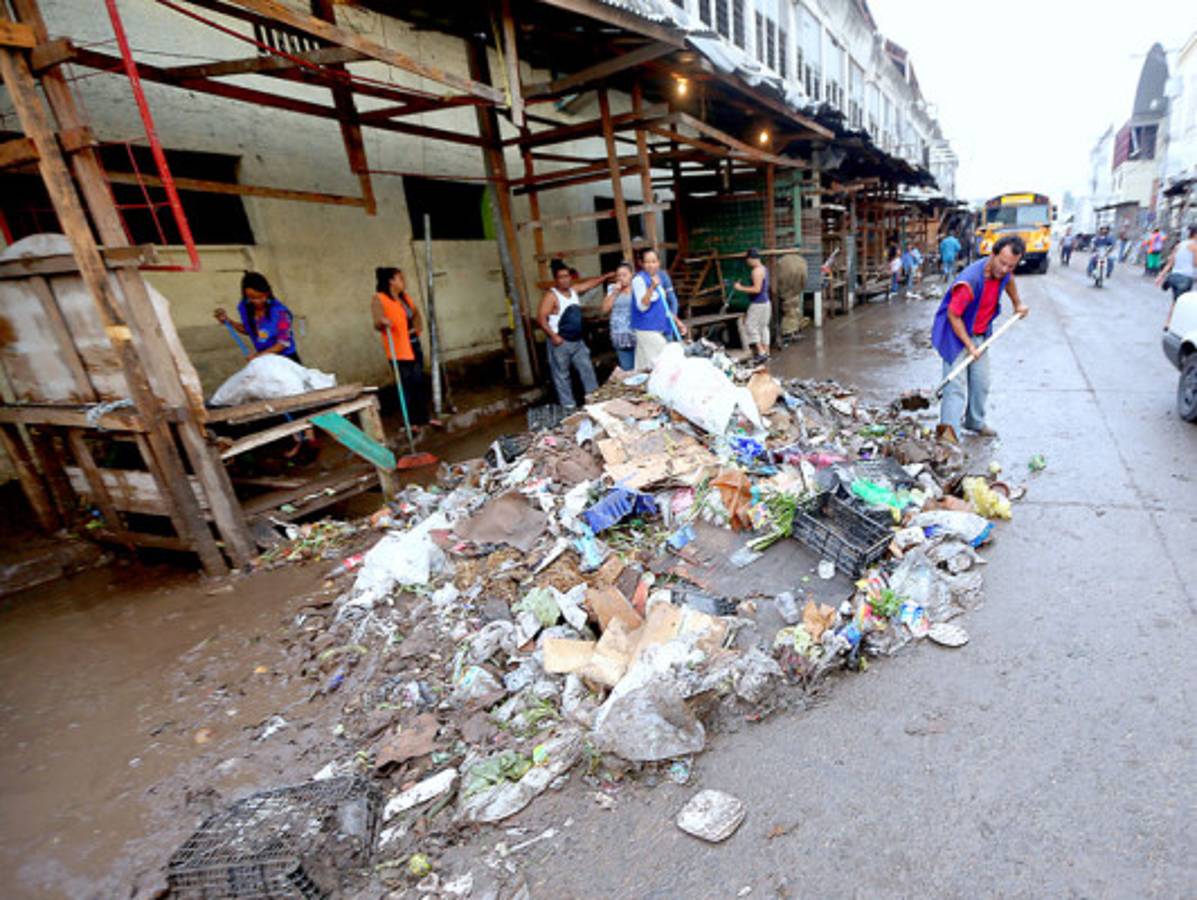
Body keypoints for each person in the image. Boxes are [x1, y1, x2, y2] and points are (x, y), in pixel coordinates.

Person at [930, 235, 1030, 440]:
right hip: (955, 336)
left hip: (980, 334)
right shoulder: (970, 280)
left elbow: (1009, 281)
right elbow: (953, 314)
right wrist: (969, 345)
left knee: (981, 382)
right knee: (955, 388)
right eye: (1002, 263)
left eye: (1011, 266)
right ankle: (949, 437)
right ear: (992, 255)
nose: (1005, 269)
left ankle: (974, 421)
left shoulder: (1004, 273)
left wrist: (1017, 304)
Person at [372, 266, 440, 429]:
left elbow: (415, 313)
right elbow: (377, 321)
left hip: (413, 343)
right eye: (400, 278)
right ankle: (411, 422)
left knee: (418, 382)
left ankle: (423, 417)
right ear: (391, 281)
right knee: (406, 385)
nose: (404, 282)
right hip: (398, 349)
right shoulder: (379, 298)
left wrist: (417, 329)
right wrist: (383, 322)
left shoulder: (404, 298)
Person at [538, 259, 603, 409]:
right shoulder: (551, 296)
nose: (565, 279)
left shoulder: (574, 291)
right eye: (561, 277)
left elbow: (590, 284)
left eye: (567, 276)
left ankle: (595, 402)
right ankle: (569, 407)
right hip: (561, 342)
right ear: (556, 280)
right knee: (562, 376)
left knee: (587, 370)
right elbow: (541, 318)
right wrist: (553, 336)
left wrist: (605, 277)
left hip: (577, 342)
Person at [214, 271, 299, 362]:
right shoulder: (244, 308)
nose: (257, 301)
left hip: (286, 359)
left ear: (267, 293)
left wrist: (258, 356)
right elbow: (250, 330)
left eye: (261, 297)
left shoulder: (281, 313)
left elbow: (283, 343)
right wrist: (228, 321)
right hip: (264, 360)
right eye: (252, 298)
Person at [631, 247, 687, 369]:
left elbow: (664, 306)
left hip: (657, 328)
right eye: (647, 262)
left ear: (659, 262)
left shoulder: (658, 278)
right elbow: (642, 306)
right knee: (666, 360)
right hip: (647, 329)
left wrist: (677, 322)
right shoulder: (639, 280)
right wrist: (651, 288)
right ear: (641, 264)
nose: (651, 265)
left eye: (654, 261)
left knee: (644, 367)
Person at [730, 248, 771, 364]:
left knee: (750, 326)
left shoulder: (756, 271)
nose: (747, 262)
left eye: (747, 259)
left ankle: (761, 352)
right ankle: (766, 352)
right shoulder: (764, 269)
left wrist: (740, 288)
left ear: (751, 259)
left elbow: (757, 289)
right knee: (763, 327)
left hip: (758, 303)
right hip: (766, 302)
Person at [602, 261, 636, 371]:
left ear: (631, 275)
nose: (621, 278)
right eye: (619, 275)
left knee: (642, 369)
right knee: (627, 370)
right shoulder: (612, 289)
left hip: (637, 334)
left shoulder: (637, 288)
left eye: (624, 275)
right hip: (620, 336)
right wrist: (615, 293)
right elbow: (604, 309)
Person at [1155, 224, 1197, 301]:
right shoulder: (1195, 246)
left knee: (1175, 304)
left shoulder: (1179, 245)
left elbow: (1169, 263)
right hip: (1185, 278)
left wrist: (1160, 276)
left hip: (1174, 276)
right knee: (1179, 306)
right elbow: (1195, 263)